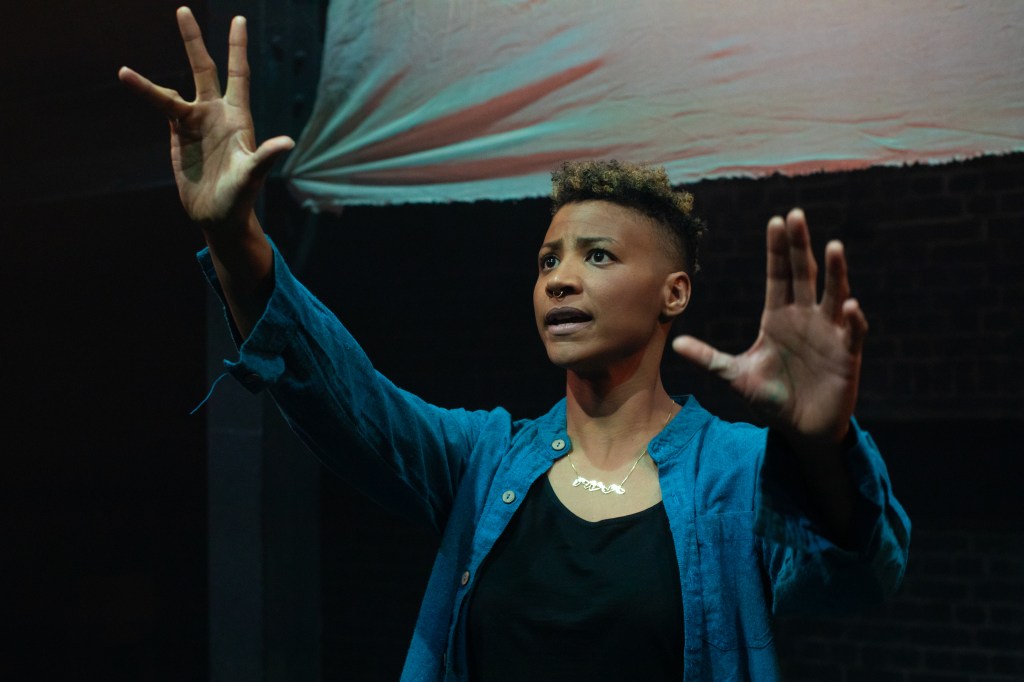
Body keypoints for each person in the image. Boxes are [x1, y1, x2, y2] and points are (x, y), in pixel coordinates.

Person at [120, 8, 910, 681]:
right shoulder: (486, 461)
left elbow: (861, 573)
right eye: (547, 261)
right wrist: (236, 237)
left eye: (598, 257)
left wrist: (823, 446)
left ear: (673, 293)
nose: (560, 279)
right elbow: (345, 396)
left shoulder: (734, 472)